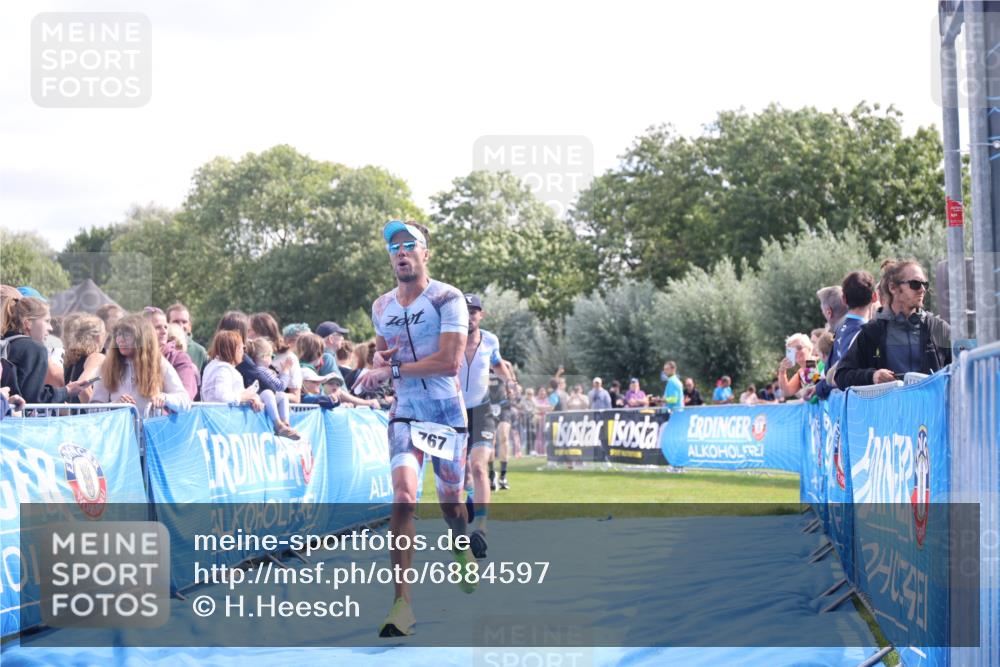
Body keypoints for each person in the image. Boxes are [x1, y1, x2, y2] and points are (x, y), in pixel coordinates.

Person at [352, 220, 473, 637]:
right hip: (405, 409)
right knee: (403, 497)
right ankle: (402, 604)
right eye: (393, 246)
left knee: (450, 505)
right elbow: (386, 356)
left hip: (444, 412)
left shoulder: (448, 298)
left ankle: (460, 542)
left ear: (426, 253)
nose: (400, 252)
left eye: (409, 245)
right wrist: (376, 368)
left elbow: (449, 362)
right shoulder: (381, 306)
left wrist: (394, 367)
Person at [456, 293, 516, 559]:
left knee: (479, 466)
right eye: (464, 311)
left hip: (481, 410)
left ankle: (480, 527)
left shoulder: (490, 340)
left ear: (481, 315)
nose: (469, 316)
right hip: (454, 412)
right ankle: (470, 499)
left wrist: (510, 381)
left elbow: (498, 364)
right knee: (462, 474)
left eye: (473, 311)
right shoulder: (448, 338)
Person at [835, 260, 951, 388]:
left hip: (933, 408)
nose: (922, 289)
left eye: (925, 284)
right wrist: (872, 376)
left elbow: (965, 367)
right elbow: (841, 375)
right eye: (915, 284)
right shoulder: (872, 333)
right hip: (890, 407)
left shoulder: (939, 329)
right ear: (893, 288)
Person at [91, 315, 192, 416]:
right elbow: (93, 409)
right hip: (119, 431)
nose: (120, 340)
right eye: (118, 335)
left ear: (142, 338)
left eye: (127, 335)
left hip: (151, 430)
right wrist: (114, 406)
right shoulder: (107, 366)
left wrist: (164, 398)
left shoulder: (159, 363)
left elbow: (185, 402)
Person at [816, 270, 878, 398]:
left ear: (844, 299)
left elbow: (831, 373)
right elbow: (839, 375)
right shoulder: (861, 332)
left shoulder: (840, 329)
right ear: (874, 297)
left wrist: (820, 387)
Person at [0, 297, 71, 403]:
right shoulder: (35, 349)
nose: (50, 328)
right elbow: (35, 398)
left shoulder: (5, 341)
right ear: (28, 323)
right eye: (47, 321)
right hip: (21, 418)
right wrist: (67, 391)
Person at [245, 337, 300, 439]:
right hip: (260, 398)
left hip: (263, 401)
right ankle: (279, 424)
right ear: (265, 357)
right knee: (269, 393)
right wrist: (286, 371)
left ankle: (285, 424)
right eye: (272, 356)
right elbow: (280, 386)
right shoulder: (263, 370)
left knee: (282, 396)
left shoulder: (260, 370)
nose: (272, 359)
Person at [143, 306, 199, 401]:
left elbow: (186, 396)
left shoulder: (179, 358)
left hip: (169, 415)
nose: (164, 331)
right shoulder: (133, 357)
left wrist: (163, 399)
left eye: (165, 327)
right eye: (157, 327)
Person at [251, 313, 306, 403]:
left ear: (262, 333)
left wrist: (269, 395)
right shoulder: (248, 355)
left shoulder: (288, 358)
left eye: (250, 331)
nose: (247, 334)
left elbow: (296, 398)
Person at [62, 315, 106, 404]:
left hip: (74, 416)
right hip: (87, 416)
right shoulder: (96, 357)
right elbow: (83, 387)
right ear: (98, 337)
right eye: (105, 334)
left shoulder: (70, 357)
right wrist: (98, 413)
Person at [167, 302, 209, 374]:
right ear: (166, 324)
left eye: (184, 322)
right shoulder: (159, 349)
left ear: (190, 326)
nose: (181, 325)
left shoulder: (200, 352)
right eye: (176, 322)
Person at [778, 333, 816, 399]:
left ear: (809, 348)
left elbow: (812, 384)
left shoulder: (819, 362)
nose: (796, 351)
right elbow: (787, 392)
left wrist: (810, 361)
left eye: (799, 347)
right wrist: (782, 372)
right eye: (792, 350)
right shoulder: (801, 372)